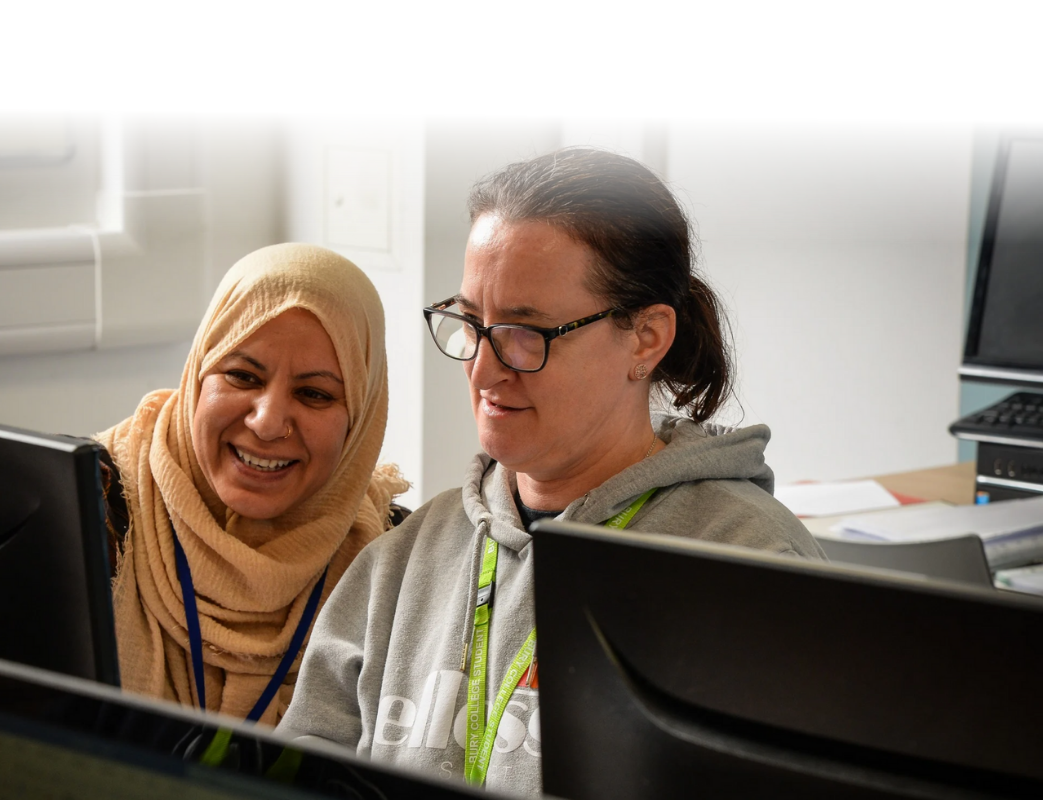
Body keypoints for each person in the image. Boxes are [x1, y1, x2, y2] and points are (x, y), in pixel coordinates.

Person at [277, 148, 825, 793]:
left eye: (523, 332)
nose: (483, 369)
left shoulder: (752, 569)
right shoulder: (404, 561)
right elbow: (296, 775)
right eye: (470, 323)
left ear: (646, 339)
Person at [94, 242, 408, 726]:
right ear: (199, 373)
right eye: (242, 375)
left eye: (314, 393)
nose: (266, 422)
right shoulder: (91, 508)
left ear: (361, 417)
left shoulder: (389, 565)